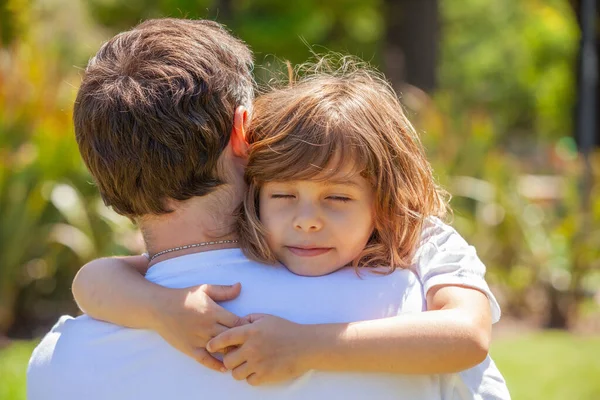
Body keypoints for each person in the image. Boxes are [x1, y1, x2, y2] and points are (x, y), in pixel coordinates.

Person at [27, 18, 509, 400]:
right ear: (245, 132)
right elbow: (94, 279)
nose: (307, 219)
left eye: (337, 196)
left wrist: (307, 345)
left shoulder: (58, 361)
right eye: (284, 193)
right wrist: (161, 309)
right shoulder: (402, 301)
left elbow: (96, 281)